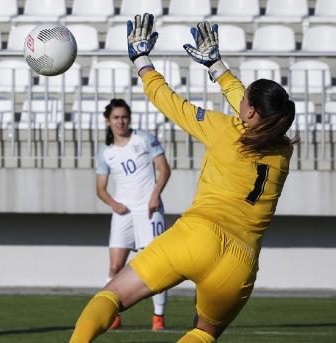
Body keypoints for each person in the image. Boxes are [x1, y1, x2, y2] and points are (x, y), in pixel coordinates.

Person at [70, 14, 297, 343]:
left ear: (248, 112)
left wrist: (142, 60)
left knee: (111, 296)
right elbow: (248, 106)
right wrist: (216, 67)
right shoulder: (283, 150)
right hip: (240, 264)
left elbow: (169, 101)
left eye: (245, 99)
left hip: (198, 235)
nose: (239, 102)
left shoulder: (223, 130)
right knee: (203, 334)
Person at [95, 98, 171, 331]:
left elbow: (164, 169)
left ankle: (158, 316)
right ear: (108, 121)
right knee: (115, 267)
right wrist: (113, 203)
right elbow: (100, 188)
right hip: (123, 213)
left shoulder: (144, 139)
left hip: (149, 212)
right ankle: (112, 314)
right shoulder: (105, 153)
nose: (121, 121)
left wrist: (154, 196)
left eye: (124, 117)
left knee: (156, 267)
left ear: (129, 118)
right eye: (116, 117)